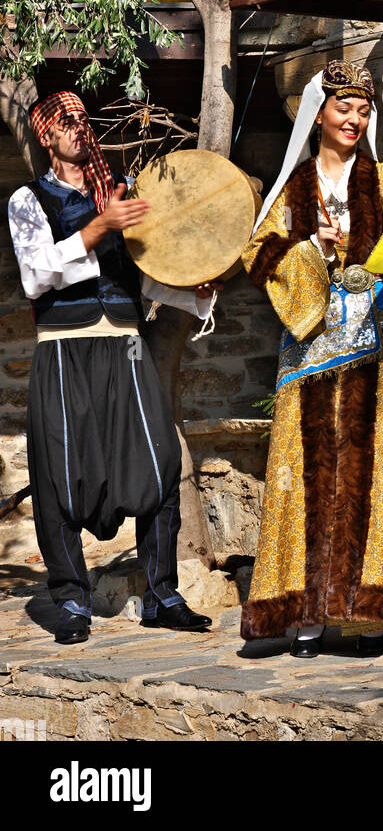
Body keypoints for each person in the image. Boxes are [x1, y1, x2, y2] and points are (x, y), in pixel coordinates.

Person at [240, 60, 383, 658]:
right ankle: (310, 614)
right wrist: (312, 248)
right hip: (313, 350)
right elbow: (257, 258)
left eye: (365, 111)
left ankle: (378, 609)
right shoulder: (289, 189)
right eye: (345, 109)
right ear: (318, 115)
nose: (355, 120)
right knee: (314, 477)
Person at [8, 92, 217, 644]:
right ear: (46, 136)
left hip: (125, 344)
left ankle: (161, 594)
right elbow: (35, 275)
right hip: (65, 349)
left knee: (161, 461)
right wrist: (99, 227)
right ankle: (72, 601)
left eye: (82, 120)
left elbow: (142, 276)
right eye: (65, 123)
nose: (78, 129)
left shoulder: (117, 193)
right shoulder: (29, 200)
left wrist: (194, 288)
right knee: (60, 475)